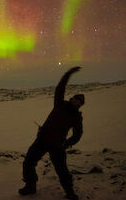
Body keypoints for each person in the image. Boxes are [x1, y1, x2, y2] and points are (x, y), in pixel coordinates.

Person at [19, 66, 85, 200]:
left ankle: (70, 192)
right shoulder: (59, 104)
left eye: (79, 100)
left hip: (57, 146)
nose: (75, 100)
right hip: (42, 140)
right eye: (74, 98)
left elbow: (78, 134)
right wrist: (68, 74)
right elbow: (60, 88)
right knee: (28, 162)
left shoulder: (76, 118)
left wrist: (66, 144)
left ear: (80, 105)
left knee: (62, 171)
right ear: (71, 99)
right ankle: (30, 186)